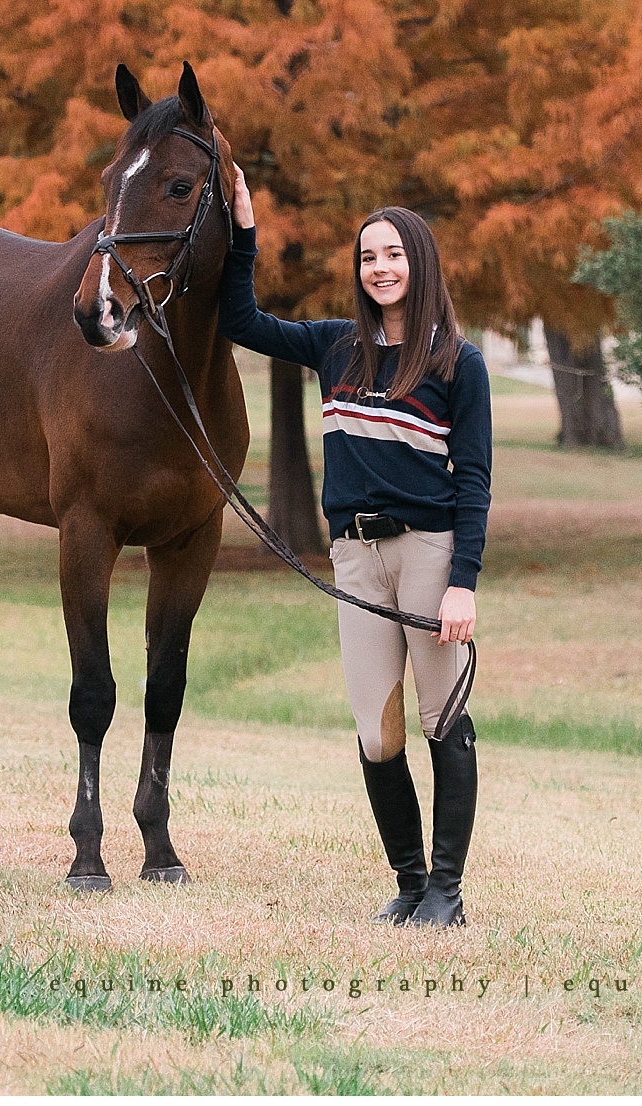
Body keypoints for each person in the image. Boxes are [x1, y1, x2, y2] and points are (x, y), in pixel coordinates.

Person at [214, 145, 489, 928]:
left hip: (430, 554)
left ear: (419, 263)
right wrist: (243, 230)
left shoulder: (455, 364)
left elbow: (473, 481)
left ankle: (446, 892)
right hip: (355, 559)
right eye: (368, 257)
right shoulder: (335, 346)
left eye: (393, 253)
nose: (379, 268)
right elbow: (241, 321)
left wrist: (462, 581)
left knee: (443, 719)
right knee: (376, 731)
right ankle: (407, 885)